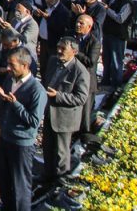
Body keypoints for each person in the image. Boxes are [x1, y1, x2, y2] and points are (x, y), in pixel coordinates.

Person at [0, 48, 47, 211]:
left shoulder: (37, 90)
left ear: (25, 65)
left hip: (22, 144)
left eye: (12, 64)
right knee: (5, 180)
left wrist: (15, 104)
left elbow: (33, 120)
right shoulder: (10, 81)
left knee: (20, 185)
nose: (8, 68)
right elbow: (4, 107)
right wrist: (2, 99)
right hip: (6, 137)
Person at [40, 37, 90, 182]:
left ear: (74, 51)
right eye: (58, 47)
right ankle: (47, 176)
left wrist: (59, 96)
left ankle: (60, 181)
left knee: (61, 152)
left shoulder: (80, 71)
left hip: (64, 117)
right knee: (47, 146)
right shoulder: (53, 61)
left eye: (63, 49)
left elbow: (81, 98)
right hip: (50, 112)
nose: (59, 51)